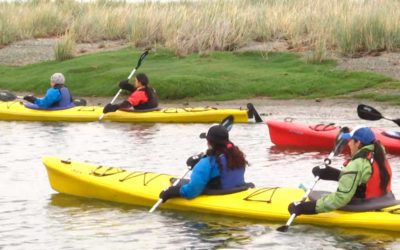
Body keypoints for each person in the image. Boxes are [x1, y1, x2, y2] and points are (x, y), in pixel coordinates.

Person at [288, 126, 394, 216]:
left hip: (364, 205)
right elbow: (361, 178)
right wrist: (331, 173)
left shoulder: (357, 164)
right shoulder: (378, 154)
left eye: (350, 140)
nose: (348, 144)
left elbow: (341, 198)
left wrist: (306, 208)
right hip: (385, 200)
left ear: (358, 143)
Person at [159, 125, 248, 202]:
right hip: (237, 190)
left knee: (178, 186)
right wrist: (199, 159)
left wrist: (173, 192)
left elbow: (191, 191)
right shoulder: (236, 155)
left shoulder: (206, 163)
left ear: (209, 142)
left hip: (219, 194)